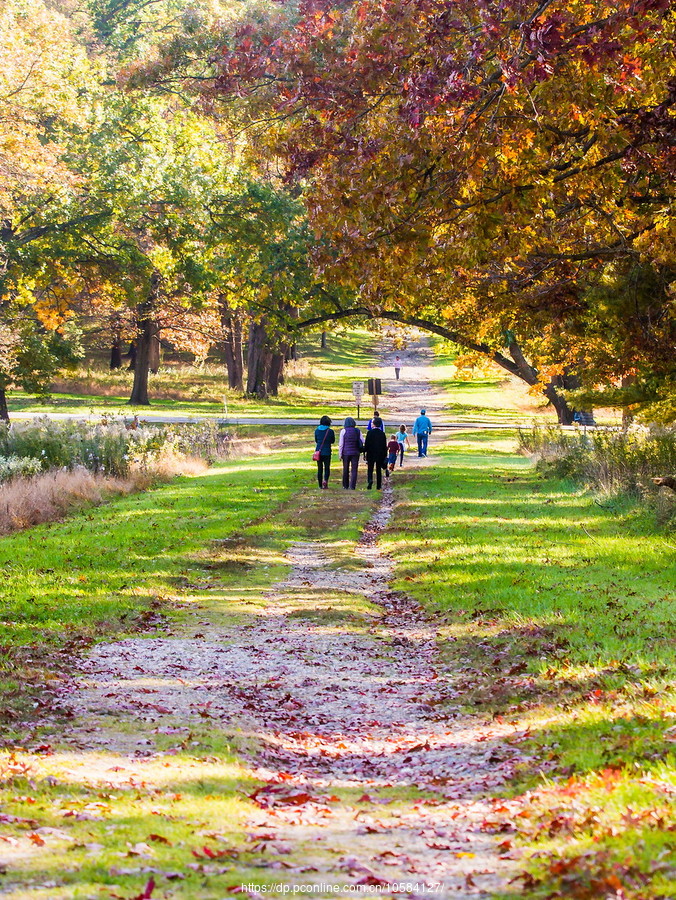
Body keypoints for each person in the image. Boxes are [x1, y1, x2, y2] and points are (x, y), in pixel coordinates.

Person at [339, 416, 363, 490]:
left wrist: (340, 454)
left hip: (346, 453)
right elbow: (362, 440)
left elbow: (341, 444)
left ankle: (345, 485)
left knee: (345, 469)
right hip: (355, 452)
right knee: (354, 469)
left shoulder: (343, 431)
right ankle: (352, 486)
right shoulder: (357, 431)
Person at [364, 417, 388, 489]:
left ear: (374, 424)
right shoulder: (382, 434)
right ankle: (378, 485)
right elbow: (384, 446)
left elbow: (367, 444)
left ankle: (370, 480)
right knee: (378, 470)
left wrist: (365, 452)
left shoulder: (370, 433)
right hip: (380, 454)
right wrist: (385, 455)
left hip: (371, 453)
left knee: (370, 469)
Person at [314, 415, 335, 489]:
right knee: (327, 467)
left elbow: (316, 440)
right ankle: (325, 480)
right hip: (327, 452)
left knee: (320, 468)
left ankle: (320, 485)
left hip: (318, 452)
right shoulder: (330, 431)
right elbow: (332, 441)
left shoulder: (317, 430)